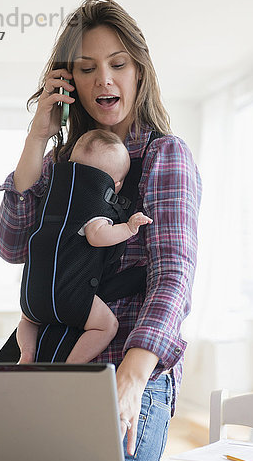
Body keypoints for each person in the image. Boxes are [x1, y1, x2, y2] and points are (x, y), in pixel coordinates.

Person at [0, 0, 202, 461]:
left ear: (139, 73)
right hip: (51, 363)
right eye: (86, 69)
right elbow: (10, 245)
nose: (104, 79)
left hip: (127, 367)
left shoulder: (165, 156)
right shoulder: (57, 165)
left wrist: (132, 375)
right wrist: (36, 138)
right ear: (69, 82)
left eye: (118, 64)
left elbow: (174, 275)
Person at [17, 128, 153, 364]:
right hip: (70, 296)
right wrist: (129, 228)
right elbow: (97, 236)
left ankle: (27, 355)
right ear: (116, 185)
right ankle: (72, 367)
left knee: (28, 320)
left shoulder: (53, 197)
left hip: (32, 296)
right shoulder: (93, 206)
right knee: (107, 327)